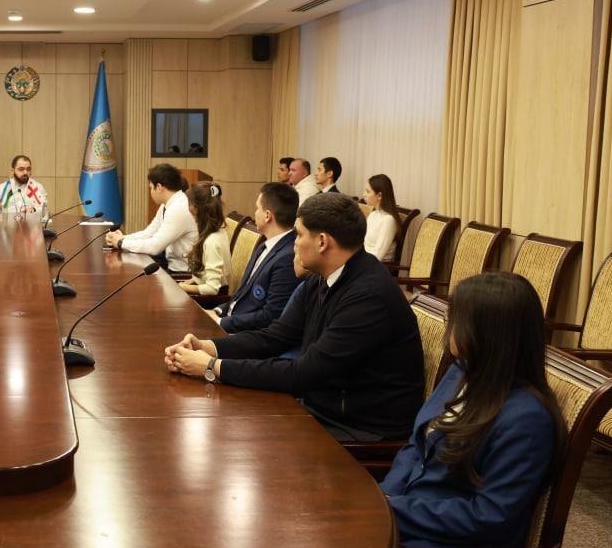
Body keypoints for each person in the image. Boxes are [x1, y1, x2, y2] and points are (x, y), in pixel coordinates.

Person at [163, 194, 423, 442]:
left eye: (299, 234)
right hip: (324, 405)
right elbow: (276, 336)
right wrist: (208, 347)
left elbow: (304, 373)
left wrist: (211, 367)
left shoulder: (368, 297)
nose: (294, 243)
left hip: (361, 426)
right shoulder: (325, 277)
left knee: (240, 435)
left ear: (322, 242)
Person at [381, 272, 565, 548]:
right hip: (409, 528)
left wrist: (393, 510)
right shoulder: (462, 371)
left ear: (487, 333)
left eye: (457, 320)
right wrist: (385, 496)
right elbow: (416, 446)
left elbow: (488, 517)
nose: (450, 328)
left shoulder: (526, 419)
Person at [207, 182, 301, 333]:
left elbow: (270, 316)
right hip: (230, 319)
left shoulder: (288, 257)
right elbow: (242, 295)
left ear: (267, 215)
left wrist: (220, 322)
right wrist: (217, 311)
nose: (255, 213)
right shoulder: (264, 245)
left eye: (257, 208)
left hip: (246, 334)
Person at [105, 164, 198, 272]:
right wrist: (123, 238)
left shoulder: (179, 208)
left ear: (159, 187)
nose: (151, 192)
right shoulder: (168, 204)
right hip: (171, 266)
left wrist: (121, 243)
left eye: (150, 187)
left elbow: (155, 247)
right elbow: (149, 233)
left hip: (183, 273)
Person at [179, 184, 232, 297]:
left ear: (196, 208)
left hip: (211, 301)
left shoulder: (212, 242)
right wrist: (191, 282)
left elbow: (212, 289)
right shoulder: (218, 231)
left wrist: (183, 287)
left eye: (189, 203)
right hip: (208, 295)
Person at [363, 173, 401, 263]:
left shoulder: (388, 220)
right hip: (365, 261)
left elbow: (377, 256)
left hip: (377, 267)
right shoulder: (373, 214)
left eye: (368, 191)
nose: (364, 194)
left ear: (379, 195)